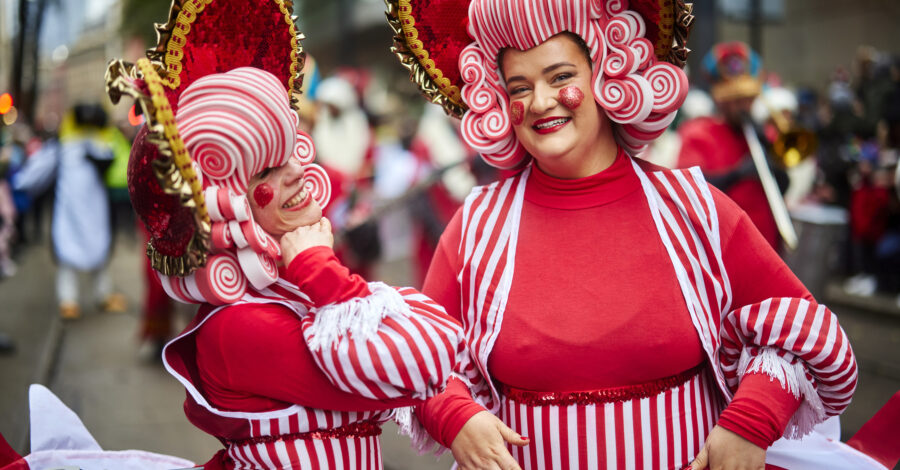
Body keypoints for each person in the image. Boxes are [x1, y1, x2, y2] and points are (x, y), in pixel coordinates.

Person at [387, 1, 863, 469]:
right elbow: (425, 360)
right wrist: (455, 416)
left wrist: (750, 421)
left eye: (560, 77)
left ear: (606, 76)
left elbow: (799, 329)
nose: (539, 101)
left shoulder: (692, 208)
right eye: (519, 87)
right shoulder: (477, 226)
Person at [106, 1, 467, 468]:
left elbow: (432, 341)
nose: (299, 171)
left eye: (291, 152)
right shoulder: (236, 326)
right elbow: (421, 363)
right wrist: (318, 267)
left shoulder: (279, 291)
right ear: (226, 202)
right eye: (268, 170)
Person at [12, 104, 127, 319]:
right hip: (75, 210)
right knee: (72, 252)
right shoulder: (79, 146)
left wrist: (20, 182)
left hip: (90, 210)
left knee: (92, 250)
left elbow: (38, 169)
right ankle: (71, 299)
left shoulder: (74, 145)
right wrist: (19, 182)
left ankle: (85, 298)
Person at [677, 42, 787, 250]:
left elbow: (784, 187)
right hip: (722, 247)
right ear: (719, 100)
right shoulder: (698, 134)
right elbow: (688, 192)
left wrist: (771, 153)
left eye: (747, 99)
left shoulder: (763, 134)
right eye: (734, 100)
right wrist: (737, 174)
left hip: (765, 243)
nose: (743, 106)